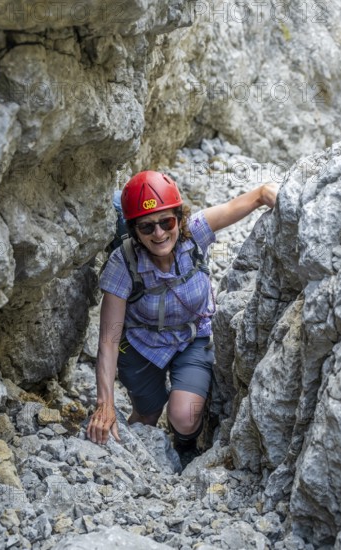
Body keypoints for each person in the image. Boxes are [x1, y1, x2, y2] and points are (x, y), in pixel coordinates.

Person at [86, 170, 278, 463]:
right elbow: (109, 341)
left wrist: (273, 197)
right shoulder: (122, 264)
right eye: (147, 227)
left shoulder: (195, 233)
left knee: (184, 416)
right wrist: (105, 404)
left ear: (180, 218)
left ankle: (186, 445)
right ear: (135, 231)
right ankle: (151, 453)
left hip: (190, 338)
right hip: (140, 345)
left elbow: (246, 201)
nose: (159, 233)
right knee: (146, 414)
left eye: (167, 222)